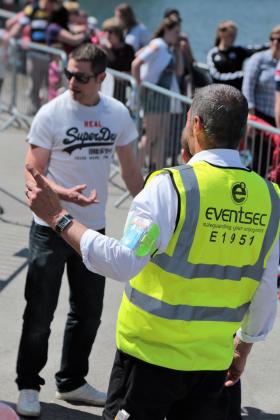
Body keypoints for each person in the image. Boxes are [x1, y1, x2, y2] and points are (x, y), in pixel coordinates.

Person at [25, 84, 279, 420]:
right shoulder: (270, 198)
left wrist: (57, 217)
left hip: (149, 362)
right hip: (211, 364)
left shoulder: (171, 187)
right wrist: (244, 345)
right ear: (243, 134)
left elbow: (123, 261)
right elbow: (265, 287)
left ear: (196, 124)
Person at [15, 43, 143, 418]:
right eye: (69, 73)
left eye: (82, 77)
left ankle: (72, 382)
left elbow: (133, 173)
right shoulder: (52, 113)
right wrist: (63, 193)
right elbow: (31, 170)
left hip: (93, 228)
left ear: (102, 79)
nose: (72, 81)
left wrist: (165, 211)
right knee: (39, 313)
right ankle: (27, 384)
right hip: (49, 227)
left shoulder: (116, 113)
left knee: (88, 312)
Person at [131, 15, 184, 169]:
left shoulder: (168, 48)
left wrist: (179, 50)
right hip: (153, 95)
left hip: (164, 97)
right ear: (166, 29)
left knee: (162, 136)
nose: (178, 35)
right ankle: (133, 171)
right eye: (176, 31)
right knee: (151, 137)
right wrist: (139, 86)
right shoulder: (158, 45)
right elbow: (136, 63)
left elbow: (179, 71)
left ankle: (159, 172)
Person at [207, 21, 267, 90]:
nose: (233, 38)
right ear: (221, 34)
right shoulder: (213, 53)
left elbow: (258, 49)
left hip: (237, 92)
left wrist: (274, 42)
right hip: (219, 91)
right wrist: (241, 75)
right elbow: (215, 76)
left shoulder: (238, 51)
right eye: (231, 35)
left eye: (234, 35)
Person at [242, 24, 280, 126]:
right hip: (259, 116)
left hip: (277, 119)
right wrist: (250, 115)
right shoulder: (258, 59)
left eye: (279, 40)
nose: (276, 42)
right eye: (272, 39)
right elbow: (247, 88)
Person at [101, 17, 135, 103]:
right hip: (106, 89)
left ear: (118, 33)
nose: (107, 34)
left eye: (110, 32)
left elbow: (128, 69)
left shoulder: (128, 49)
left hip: (122, 90)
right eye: (105, 31)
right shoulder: (103, 49)